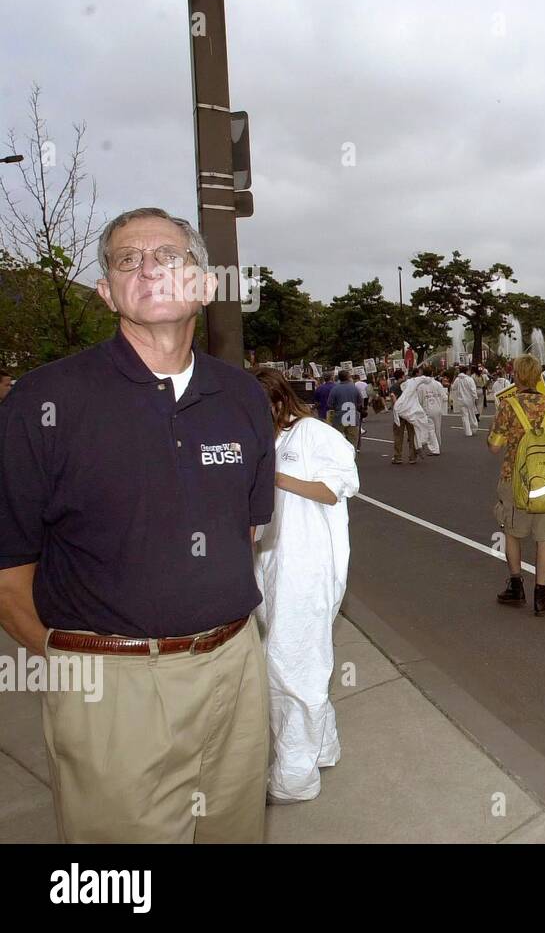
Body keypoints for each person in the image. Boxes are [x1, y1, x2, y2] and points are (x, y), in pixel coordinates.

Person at [0, 206, 274, 842]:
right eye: (128, 260)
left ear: (204, 284)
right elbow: (8, 570)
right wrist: (68, 666)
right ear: (106, 291)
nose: (148, 267)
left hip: (235, 672)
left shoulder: (242, 398)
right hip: (110, 689)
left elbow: (248, 538)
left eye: (168, 256)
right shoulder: (43, 403)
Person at [252, 368, 358, 803]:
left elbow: (336, 488)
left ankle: (294, 778)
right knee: (294, 662)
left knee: (292, 668)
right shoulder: (266, 441)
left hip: (307, 571)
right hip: (272, 568)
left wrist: (274, 478)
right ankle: (322, 748)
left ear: (278, 402)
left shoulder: (313, 434)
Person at [487, 354, 545, 616]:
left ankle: (516, 585)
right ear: (539, 377)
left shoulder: (508, 406)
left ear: (517, 376)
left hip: (514, 479)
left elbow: (494, 447)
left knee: (512, 532)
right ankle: (541, 595)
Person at [391, 369, 437, 462]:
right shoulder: (409, 384)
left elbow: (392, 396)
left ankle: (398, 457)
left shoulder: (394, 386)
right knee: (412, 434)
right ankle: (412, 457)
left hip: (400, 413)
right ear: (402, 376)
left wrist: (398, 407)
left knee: (398, 435)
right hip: (411, 413)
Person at [328, 369, 361, 452]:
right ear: (348, 377)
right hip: (352, 416)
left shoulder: (335, 389)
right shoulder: (355, 388)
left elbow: (329, 405)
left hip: (339, 417)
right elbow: (360, 403)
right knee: (352, 441)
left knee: (337, 440)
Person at [452, 366, 478, 436]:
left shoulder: (457, 379)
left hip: (461, 400)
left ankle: (468, 432)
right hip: (469, 400)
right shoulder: (469, 379)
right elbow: (473, 390)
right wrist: (475, 398)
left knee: (464, 416)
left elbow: (453, 387)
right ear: (466, 371)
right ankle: (474, 428)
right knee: (472, 414)